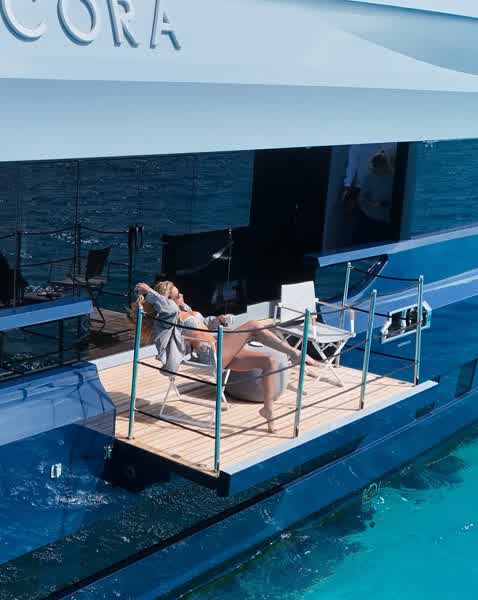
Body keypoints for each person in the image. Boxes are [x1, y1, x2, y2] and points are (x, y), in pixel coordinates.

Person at [130, 281, 318, 433]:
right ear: (168, 300)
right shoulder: (168, 318)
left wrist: (218, 320)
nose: (182, 296)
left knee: (269, 361)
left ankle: (267, 409)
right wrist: (149, 291)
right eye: (177, 295)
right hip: (209, 354)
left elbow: (203, 324)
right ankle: (294, 353)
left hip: (219, 348)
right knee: (253, 325)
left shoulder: (185, 309)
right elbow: (168, 308)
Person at [343, 142, 397, 245]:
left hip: (383, 211)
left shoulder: (392, 178)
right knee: (362, 226)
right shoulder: (356, 146)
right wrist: (347, 186)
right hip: (363, 193)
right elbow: (352, 166)